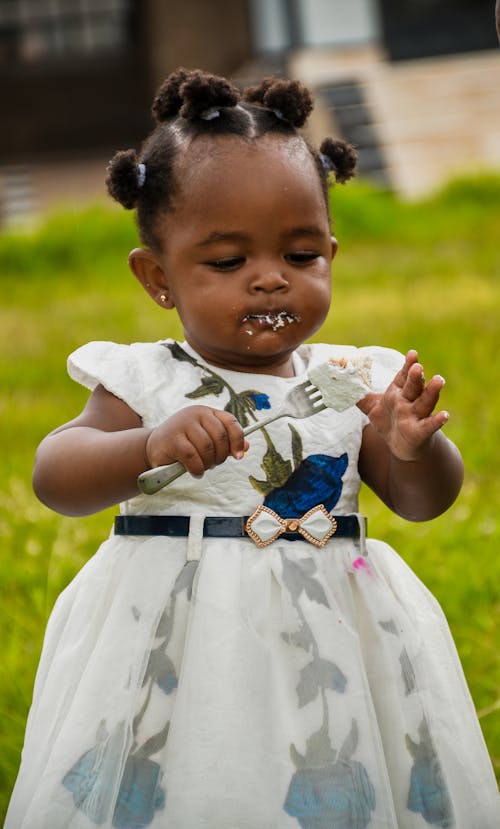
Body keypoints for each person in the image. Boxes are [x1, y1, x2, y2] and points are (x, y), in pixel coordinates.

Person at [5, 68, 498, 829]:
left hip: (333, 647)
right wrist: (146, 442)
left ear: (332, 251)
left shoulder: (353, 378)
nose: (270, 281)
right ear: (157, 276)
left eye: (301, 255)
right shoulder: (146, 378)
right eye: (229, 263)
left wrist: (409, 449)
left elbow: (422, 501)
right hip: (184, 646)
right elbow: (54, 474)